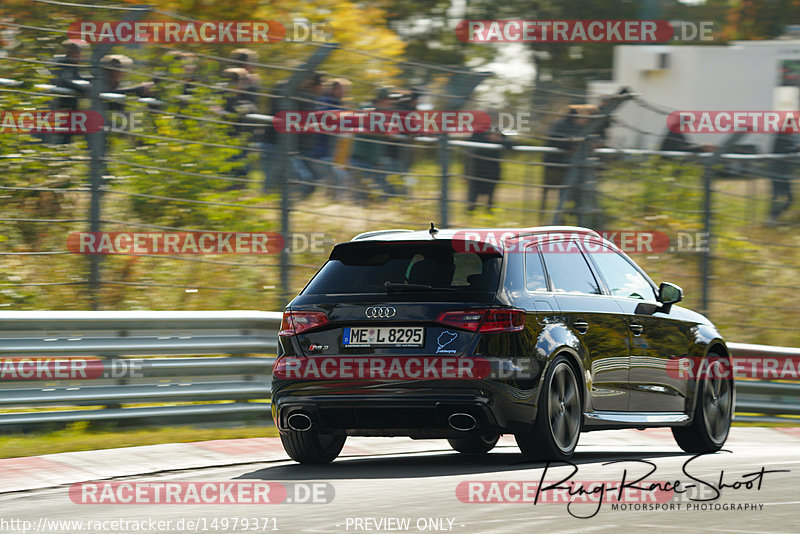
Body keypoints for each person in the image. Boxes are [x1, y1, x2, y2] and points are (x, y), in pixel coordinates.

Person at [465, 128, 513, 213]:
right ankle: (471, 210)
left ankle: (489, 210)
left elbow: (511, 144)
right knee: (474, 193)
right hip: (477, 168)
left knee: (491, 193)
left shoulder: (497, 131)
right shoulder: (477, 133)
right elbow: (469, 149)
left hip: (493, 169)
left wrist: (499, 140)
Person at [767, 131, 797, 224]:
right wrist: (797, 148)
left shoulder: (787, 136)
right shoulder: (781, 137)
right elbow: (784, 149)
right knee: (778, 197)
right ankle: (772, 218)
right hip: (777, 172)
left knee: (788, 198)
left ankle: (773, 217)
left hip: (782, 173)